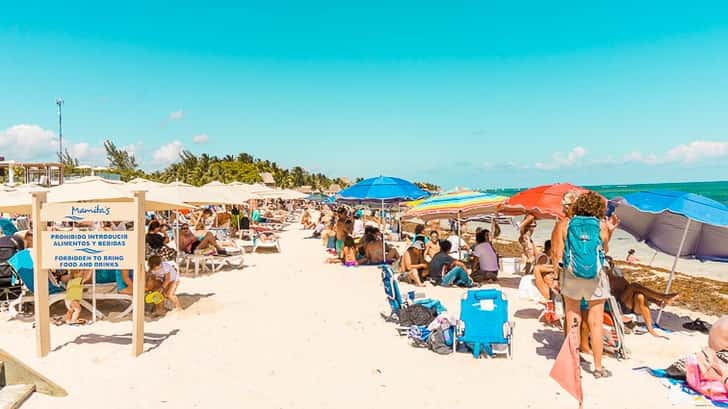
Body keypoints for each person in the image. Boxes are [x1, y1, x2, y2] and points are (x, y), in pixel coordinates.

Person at [551, 191, 619, 379]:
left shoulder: (564, 224)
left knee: (573, 320)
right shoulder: (601, 225)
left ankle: (573, 365)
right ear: (598, 209)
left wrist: (556, 278)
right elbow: (604, 250)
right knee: (595, 323)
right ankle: (597, 367)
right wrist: (610, 231)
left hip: (571, 276)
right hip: (595, 278)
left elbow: (557, 253)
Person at [606, 257, 678, 337]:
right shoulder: (603, 281)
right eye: (609, 264)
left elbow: (632, 290)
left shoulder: (618, 277)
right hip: (618, 307)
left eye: (611, 264)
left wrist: (654, 301)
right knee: (634, 286)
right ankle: (663, 296)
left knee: (640, 296)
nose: (611, 266)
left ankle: (650, 328)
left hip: (627, 305)